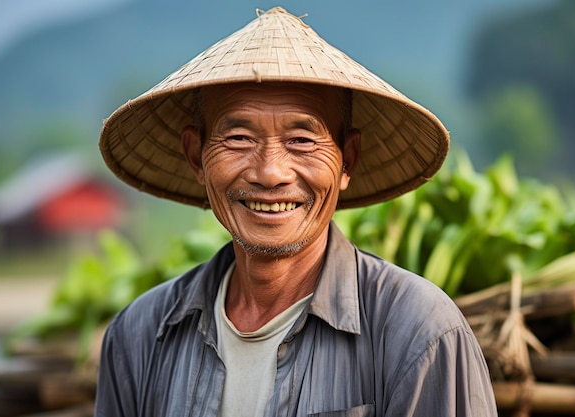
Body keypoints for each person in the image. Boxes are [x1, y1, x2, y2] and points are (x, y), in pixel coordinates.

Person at [95, 7, 497, 417]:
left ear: (347, 160)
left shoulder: (418, 332)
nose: (270, 173)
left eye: (303, 139)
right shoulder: (139, 337)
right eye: (238, 137)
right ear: (196, 157)